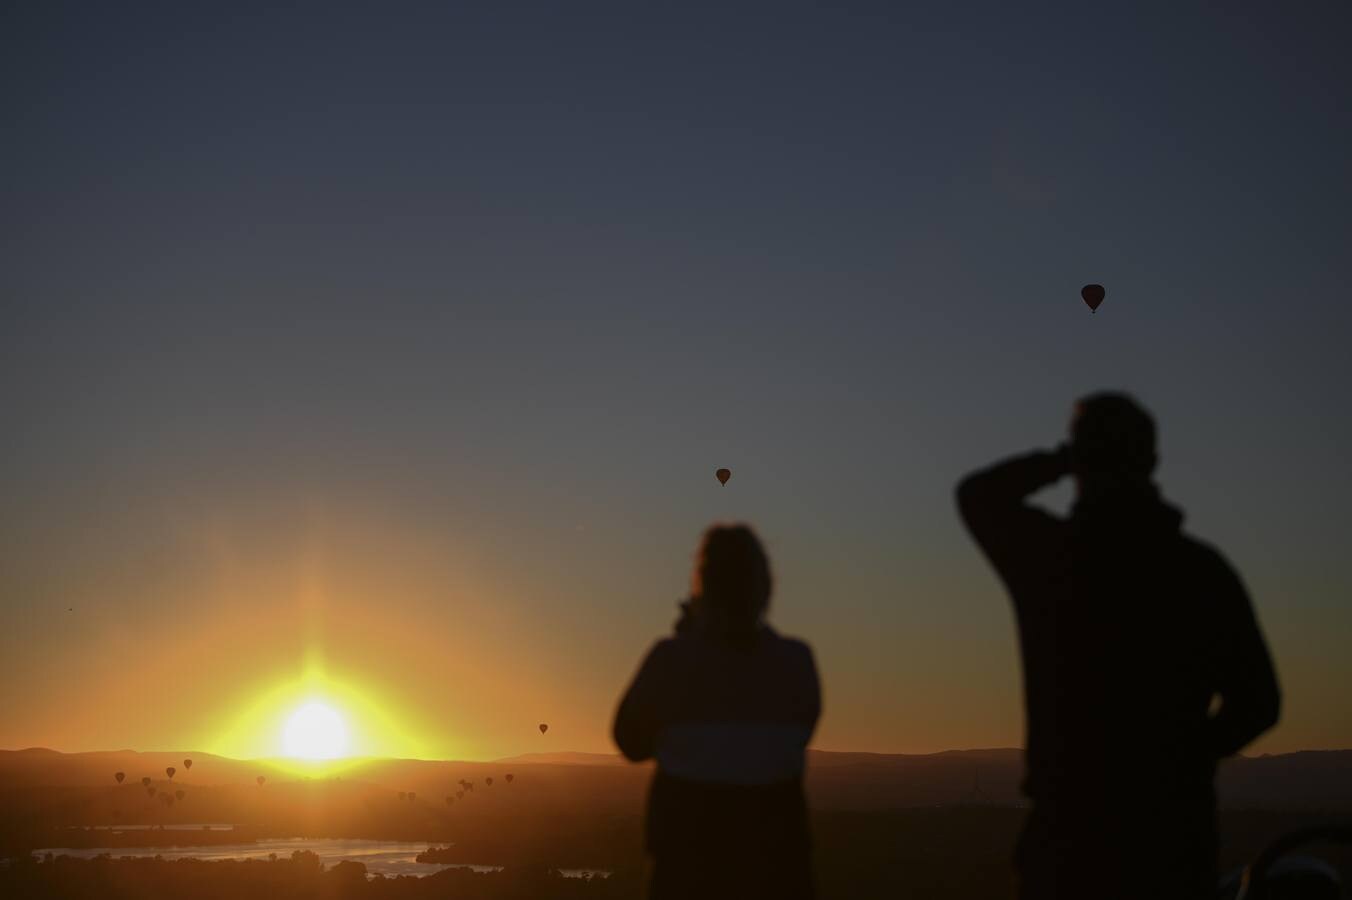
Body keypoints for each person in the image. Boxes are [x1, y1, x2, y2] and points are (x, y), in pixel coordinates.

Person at [957, 392, 1280, 900]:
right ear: (1151, 462)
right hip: (1171, 838)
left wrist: (1061, 459)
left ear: (1081, 460)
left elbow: (977, 496)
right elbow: (1260, 702)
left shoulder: (1051, 558)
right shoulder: (1200, 572)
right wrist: (1185, 757)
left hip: (1068, 837)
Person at [614, 524, 821, 900]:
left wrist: (686, 643)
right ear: (765, 587)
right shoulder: (796, 661)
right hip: (779, 871)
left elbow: (630, 742)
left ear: (703, 587)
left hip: (686, 873)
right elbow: (797, 730)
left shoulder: (670, 660)